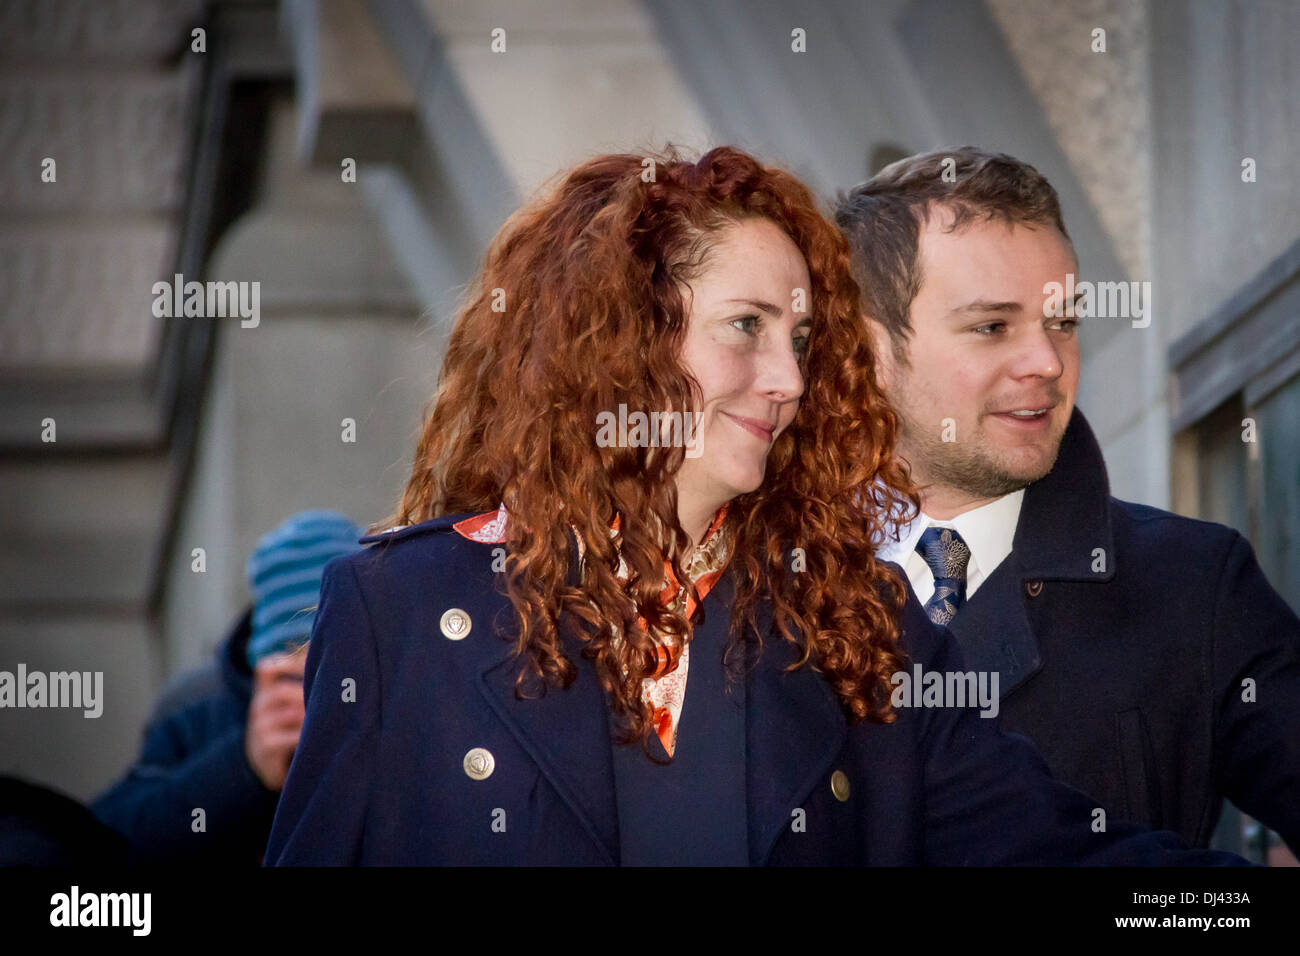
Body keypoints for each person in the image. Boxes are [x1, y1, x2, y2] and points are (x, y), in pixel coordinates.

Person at [265, 145, 1244, 866]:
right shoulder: (396, 609)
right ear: (623, 341)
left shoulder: (859, 627)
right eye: (745, 327)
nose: (786, 377)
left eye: (803, 338)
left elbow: (1070, 861)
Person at [835, 146, 1300, 853]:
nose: (1048, 363)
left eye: (1063, 322)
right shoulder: (747, 587)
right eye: (993, 327)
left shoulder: (1195, 584)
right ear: (863, 352)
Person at [92, 509, 362, 864]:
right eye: (298, 676)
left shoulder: (402, 697)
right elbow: (101, 841)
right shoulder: (197, 710)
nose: (315, 697)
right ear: (264, 666)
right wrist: (244, 767)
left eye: (331, 669)